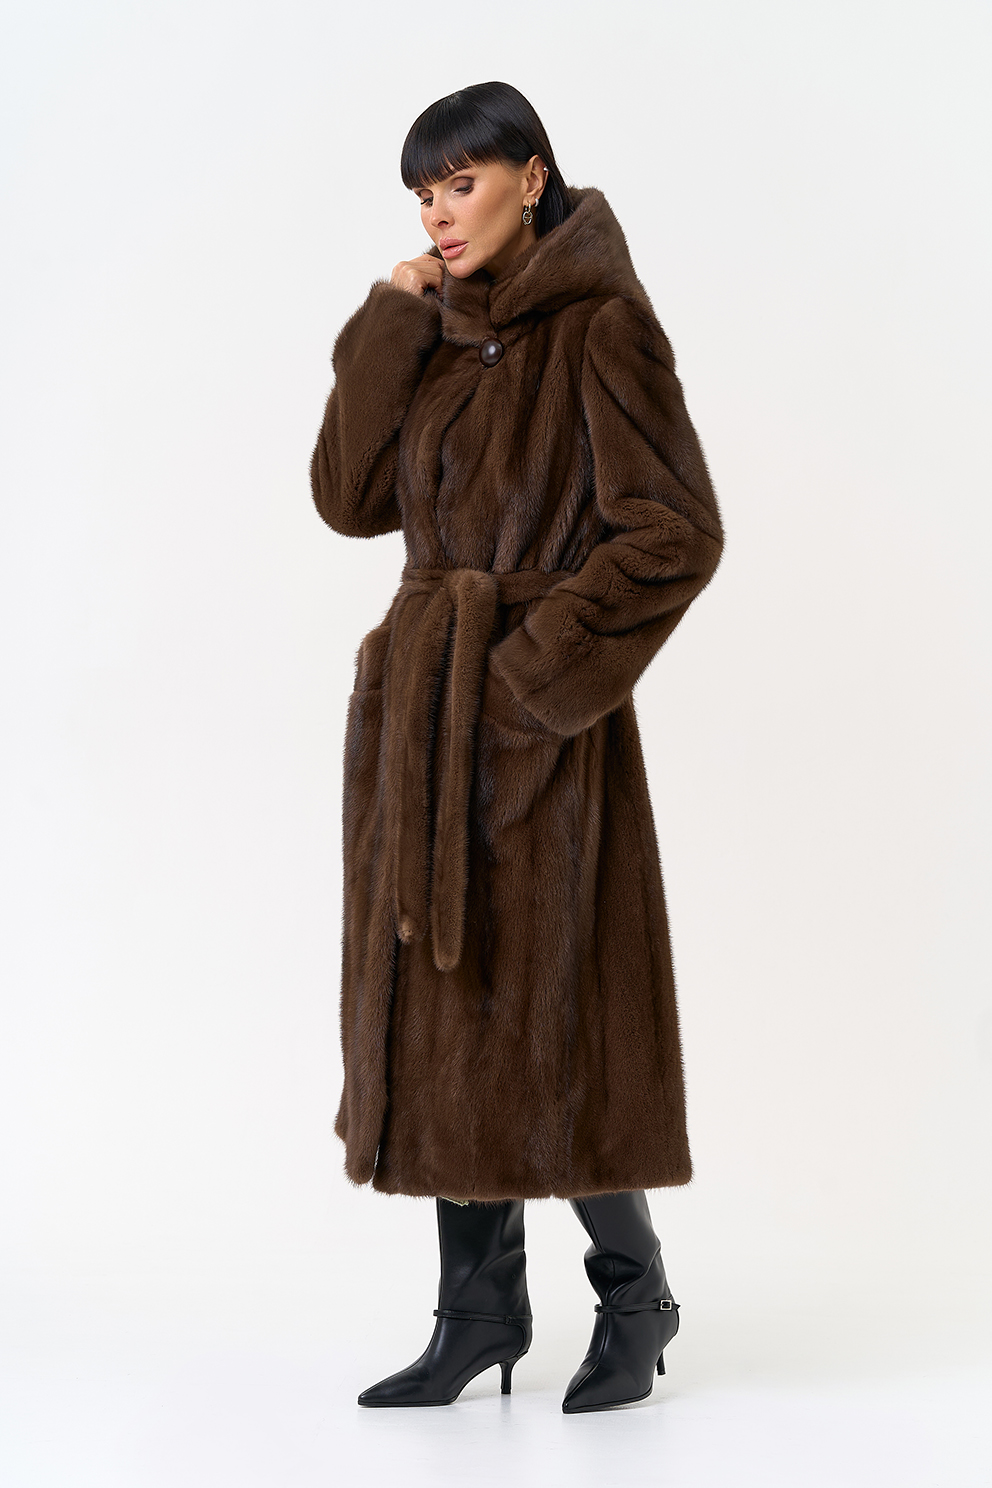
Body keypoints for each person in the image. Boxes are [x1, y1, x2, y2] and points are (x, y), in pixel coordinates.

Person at [309, 81, 724, 1413]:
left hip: (534, 721)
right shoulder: (436, 327)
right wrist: (390, 324)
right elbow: (347, 499)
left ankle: (635, 1299)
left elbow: (675, 531)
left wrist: (532, 683)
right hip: (422, 723)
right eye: (422, 194)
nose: (439, 214)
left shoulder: (602, 325)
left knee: (559, 1018)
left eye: (463, 184)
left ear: (531, 177)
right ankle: (478, 1314)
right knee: (448, 1008)